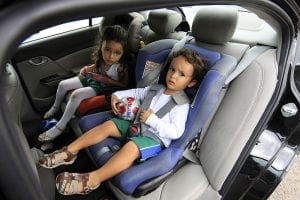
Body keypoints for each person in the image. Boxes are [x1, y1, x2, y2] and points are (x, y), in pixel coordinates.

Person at [38, 48, 207, 195]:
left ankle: (93, 180)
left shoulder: (181, 105)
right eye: (172, 69)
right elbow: (136, 92)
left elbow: (176, 132)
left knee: (132, 147)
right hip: (136, 125)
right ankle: (70, 151)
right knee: (109, 125)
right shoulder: (156, 89)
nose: (173, 76)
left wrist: (153, 120)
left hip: (154, 138)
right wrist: (117, 96)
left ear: (191, 82)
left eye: (181, 74)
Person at [38, 25, 129, 142]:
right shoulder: (102, 58)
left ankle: (60, 126)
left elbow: (125, 85)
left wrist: (108, 81)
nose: (111, 56)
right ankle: (55, 108)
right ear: (101, 46)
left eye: (117, 53)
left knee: (76, 95)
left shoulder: (121, 67)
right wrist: (87, 68)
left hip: (101, 87)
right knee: (62, 84)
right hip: (93, 78)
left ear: (123, 53)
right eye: (107, 50)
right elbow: (97, 66)